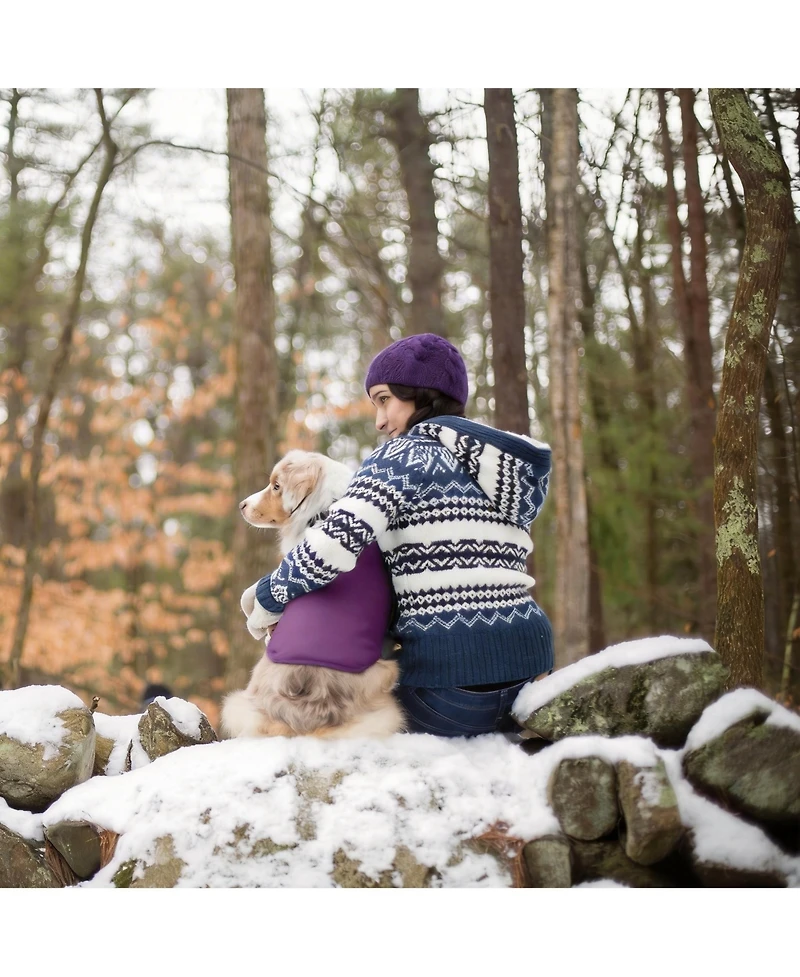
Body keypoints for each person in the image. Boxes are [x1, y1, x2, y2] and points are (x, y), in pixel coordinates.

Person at [241, 332, 554, 737]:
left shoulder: (403, 454)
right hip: (530, 683)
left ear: (423, 394)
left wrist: (266, 598)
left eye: (385, 399)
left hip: (450, 696)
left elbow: (333, 544)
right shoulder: (505, 468)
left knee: (323, 709)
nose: (379, 421)